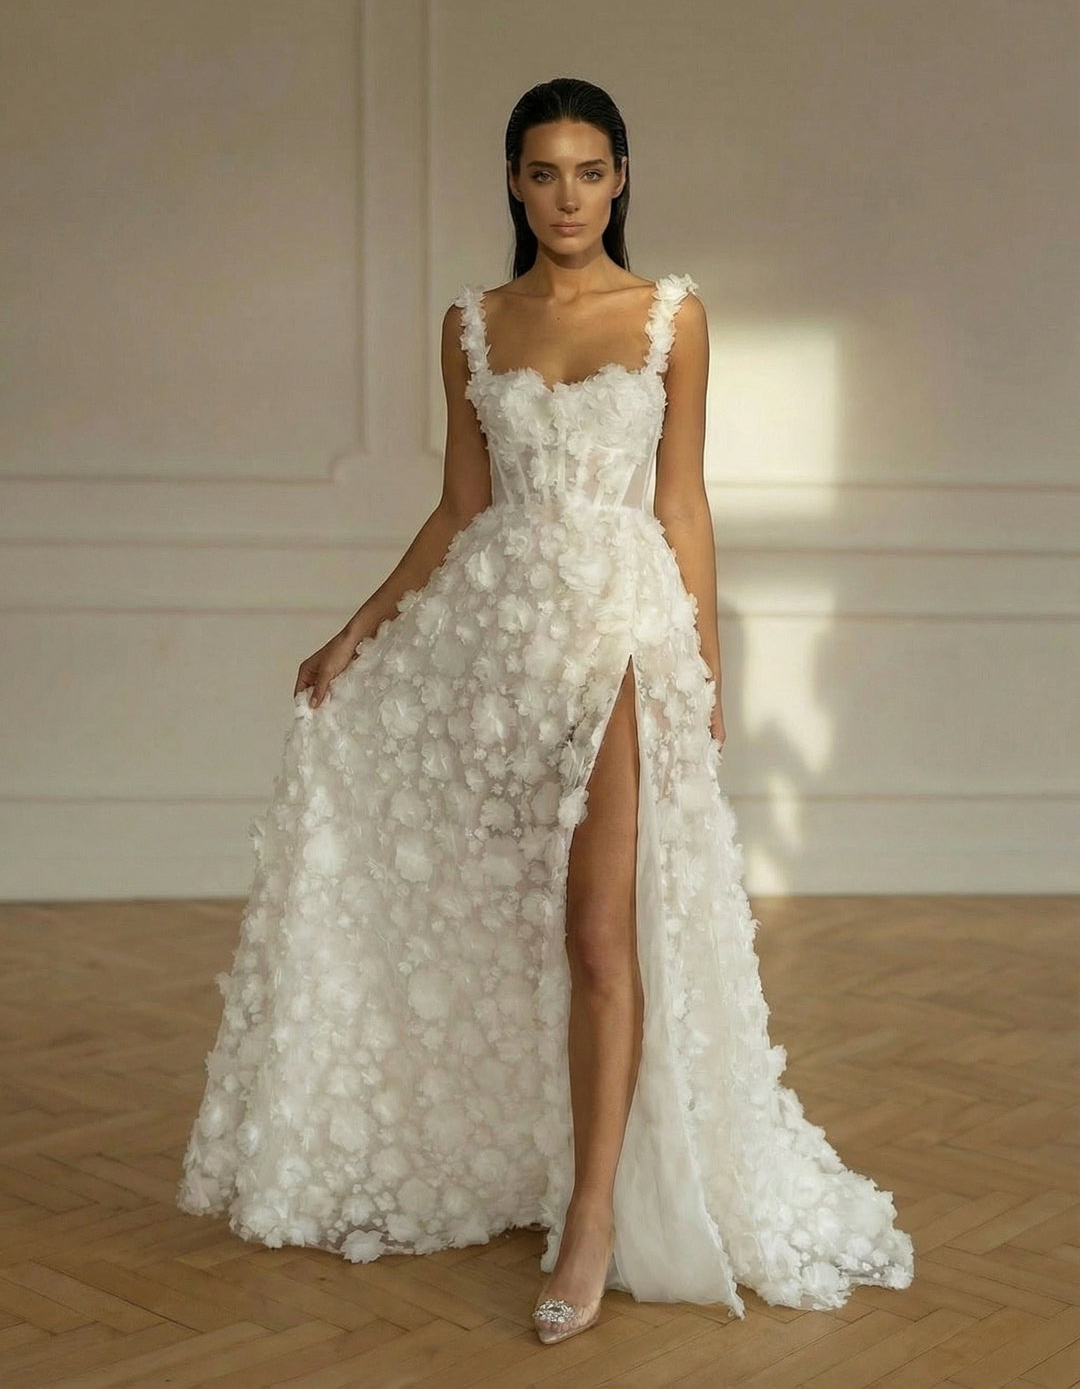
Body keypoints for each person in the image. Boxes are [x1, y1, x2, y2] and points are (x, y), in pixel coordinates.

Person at [177, 76, 914, 1348]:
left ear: (621, 175)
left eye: (588, 171)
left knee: (596, 934)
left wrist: (706, 664)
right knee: (506, 923)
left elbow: (682, 504)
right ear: (513, 184)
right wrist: (360, 627)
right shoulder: (473, 320)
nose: (565, 196)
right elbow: (462, 507)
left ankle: (593, 1215)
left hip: (623, 632)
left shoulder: (672, 316)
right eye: (540, 173)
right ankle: (534, 1153)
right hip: (496, 638)